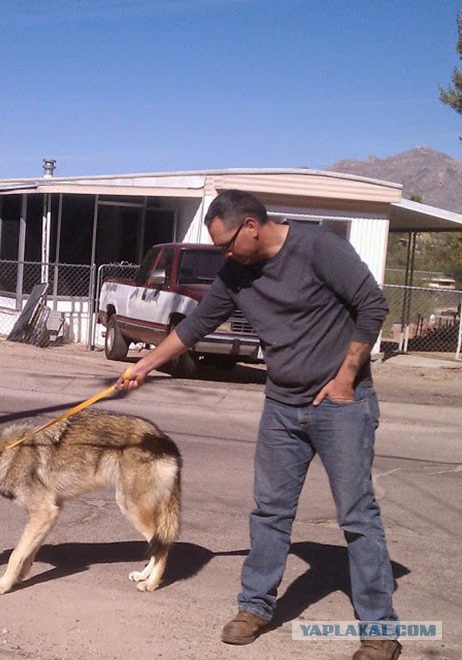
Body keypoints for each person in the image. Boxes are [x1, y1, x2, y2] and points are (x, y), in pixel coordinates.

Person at [116, 190, 401, 660]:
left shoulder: (318, 248)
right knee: (269, 511)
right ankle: (256, 606)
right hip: (282, 405)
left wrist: (348, 377)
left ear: (251, 225)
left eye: (226, 245)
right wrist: (145, 365)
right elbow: (195, 325)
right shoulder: (236, 272)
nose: (223, 256)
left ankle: (379, 630)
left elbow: (372, 305)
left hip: (340, 404)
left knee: (357, 516)